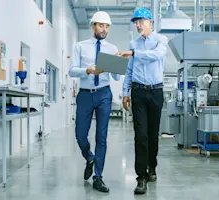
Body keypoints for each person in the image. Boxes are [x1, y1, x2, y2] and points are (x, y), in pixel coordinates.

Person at [118, 8, 168, 195]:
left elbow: (157, 56)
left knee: (153, 135)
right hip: (138, 92)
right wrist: (125, 93)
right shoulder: (134, 44)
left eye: (140, 21)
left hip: (156, 92)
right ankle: (141, 177)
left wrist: (134, 54)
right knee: (141, 135)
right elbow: (129, 71)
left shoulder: (161, 40)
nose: (138, 25)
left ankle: (152, 166)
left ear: (150, 22)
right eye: (136, 22)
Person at [69, 11, 120, 193]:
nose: (104, 29)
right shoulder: (80, 46)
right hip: (85, 94)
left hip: (104, 94)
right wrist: (88, 71)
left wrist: (119, 63)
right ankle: (89, 157)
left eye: (106, 26)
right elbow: (72, 71)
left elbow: (115, 76)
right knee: (80, 135)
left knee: (102, 136)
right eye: (100, 25)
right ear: (93, 26)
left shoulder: (112, 48)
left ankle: (98, 177)